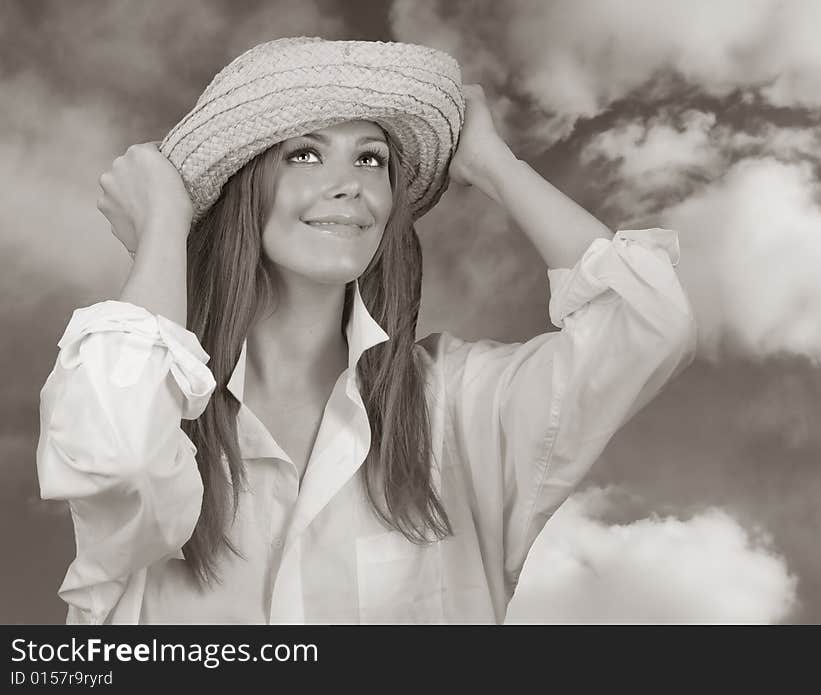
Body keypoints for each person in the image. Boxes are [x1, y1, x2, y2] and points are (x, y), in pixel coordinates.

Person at [36, 36, 697, 624]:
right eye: (304, 154)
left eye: (372, 159)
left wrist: (495, 163)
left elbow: (648, 322)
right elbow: (117, 457)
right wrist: (163, 231)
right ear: (243, 188)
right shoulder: (161, 415)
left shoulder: (461, 407)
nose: (349, 185)